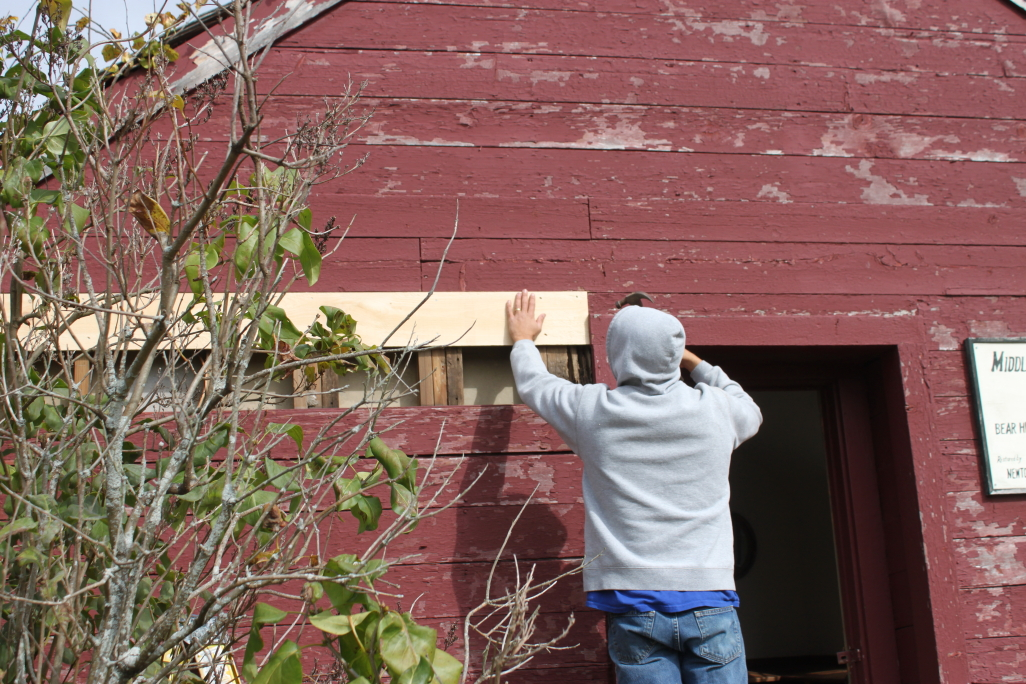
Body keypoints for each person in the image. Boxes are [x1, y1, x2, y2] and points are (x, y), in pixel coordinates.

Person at [506, 290, 763, 684]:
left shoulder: (591, 411)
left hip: (632, 604)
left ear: (616, 355)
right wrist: (694, 361)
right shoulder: (718, 410)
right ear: (673, 355)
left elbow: (533, 384)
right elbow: (749, 407)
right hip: (709, 599)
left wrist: (523, 339)